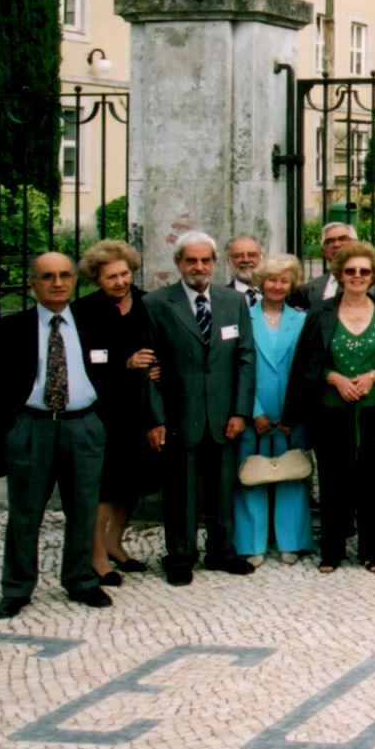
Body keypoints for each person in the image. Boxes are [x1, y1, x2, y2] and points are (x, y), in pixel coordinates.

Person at [0, 253, 112, 617]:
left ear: (74, 280)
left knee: (83, 509)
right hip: (32, 426)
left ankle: (80, 580)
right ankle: (17, 587)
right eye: (48, 276)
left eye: (65, 275)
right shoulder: (8, 329)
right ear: (33, 283)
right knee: (25, 513)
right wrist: (12, 428)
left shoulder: (93, 323)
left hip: (83, 425)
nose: (58, 283)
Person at [144, 231, 256, 584]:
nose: (199, 266)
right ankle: (180, 556)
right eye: (191, 260)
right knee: (181, 491)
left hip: (224, 414)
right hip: (180, 414)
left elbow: (245, 357)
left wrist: (240, 411)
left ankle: (222, 552)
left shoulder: (232, 302)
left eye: (205, 260)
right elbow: (149, 367)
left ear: (215, 262)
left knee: (223, 489)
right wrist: (156, 419)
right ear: (178, 263)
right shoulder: (157, 303)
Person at [289, 240, 375, 574]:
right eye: (350, 270)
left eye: (364, 271)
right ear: (339, 274)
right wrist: (333, 378)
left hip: (374, 409)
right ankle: (332, 549)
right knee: (333, 478)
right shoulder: (321, 313)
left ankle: (373, 548)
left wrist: (374, 375)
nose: (357, 276)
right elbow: (307, 362)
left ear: (373, 275)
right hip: (331, 410)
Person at [70, 240, 156, 585]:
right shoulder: (83, 311)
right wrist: (125, 364)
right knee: (105, 487)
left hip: (141, 408)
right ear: (97, 279)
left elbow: (162, 345)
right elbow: (81, 364)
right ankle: (97, 557)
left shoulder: (147, 303)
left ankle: (115, 543)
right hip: (103, 410)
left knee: (132, 484)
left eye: (124, 274)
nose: (120, 282)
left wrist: (157, 368)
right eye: (111, 277)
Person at [233, 253, 313, 566]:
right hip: (254, 409)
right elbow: (236, 365)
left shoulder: (302, 320)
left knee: (291, 472)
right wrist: (253, 411)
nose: (277, 286)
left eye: (284, 281)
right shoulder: (244, 317)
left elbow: (306, 368)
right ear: (260, 282)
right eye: (271, 280)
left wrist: (293, 412)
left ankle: (290, 541)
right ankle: (251, 543)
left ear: (292, 285)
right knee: (251, 471)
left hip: (290, 412)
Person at [226, 234, 264, 305]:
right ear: (229, 261)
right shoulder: (220, 298)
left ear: (261, 259)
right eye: (238, 256)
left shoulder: (275, 293)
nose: (246, 260)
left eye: (252, 255)